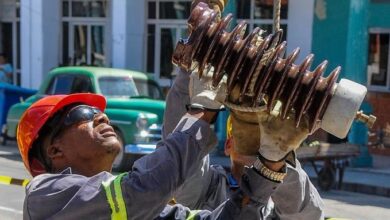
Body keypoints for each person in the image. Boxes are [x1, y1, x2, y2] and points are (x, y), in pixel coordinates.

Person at [19, 85, 296, 219]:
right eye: (85, 114)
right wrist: (200, 113)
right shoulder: (45, 195)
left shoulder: (135, 210)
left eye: (101, 112)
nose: (102, 117)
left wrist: (270, 163)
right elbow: (143, 190)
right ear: (54, 149)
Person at [163, 66, 324, 219]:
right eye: (244, 135)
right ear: (228, 145)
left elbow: (308, 214)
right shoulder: (209, 190)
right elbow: (179, 159)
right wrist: (188, 75)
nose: (254, 144)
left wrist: (276, 160)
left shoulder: (278, 205)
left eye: (262, 140)